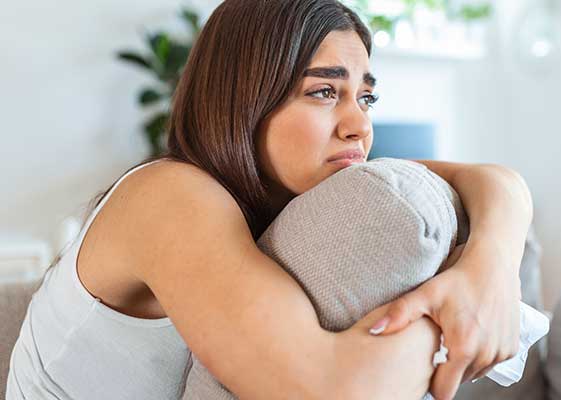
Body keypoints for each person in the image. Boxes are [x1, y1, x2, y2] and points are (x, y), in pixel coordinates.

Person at [7, 0, 533, 399]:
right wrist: (452, 317)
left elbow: (497, 180)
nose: (361, 125)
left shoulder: (296, 195)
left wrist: (488, 272)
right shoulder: (167, 193)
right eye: (324, 92)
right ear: (244, 100)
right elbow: (333, 390)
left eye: (365, 96)